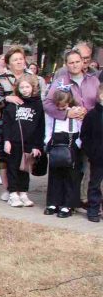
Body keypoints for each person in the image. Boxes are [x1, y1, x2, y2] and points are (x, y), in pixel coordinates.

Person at [43, 48, 99, 209]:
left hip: (89, 129)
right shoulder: (61, 81)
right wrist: (67, 112)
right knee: (70, 168)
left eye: (77, 62)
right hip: (69, 132)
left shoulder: (93, 81)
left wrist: (86, 113)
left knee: (89, 167)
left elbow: (98, 102)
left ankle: (88, 199)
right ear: (66, 64)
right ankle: (66, 201)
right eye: (71, 62)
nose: (74, 65)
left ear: (83, 62)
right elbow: (47, 104)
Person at [0, 46, 30, 202]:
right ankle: (8, 188)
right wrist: (7, 99)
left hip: (26, 123)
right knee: (5, 156)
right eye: (15, 60)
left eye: (21, 58)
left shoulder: (31, 78)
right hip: (5, 123)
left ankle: (21, 189)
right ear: (8, 63)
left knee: (24, 155)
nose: (19, 62)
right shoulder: (2, 79)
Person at [1, 74, 45, 208]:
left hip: (29, 143)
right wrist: (6, 140)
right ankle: (13, 193)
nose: (25, 90)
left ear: (33, 88)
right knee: (12, 168)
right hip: (14, 141)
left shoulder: (37, 104)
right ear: (17, 88)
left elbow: (40, 126)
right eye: (22, 87)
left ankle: (23, 192)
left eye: (27, 87)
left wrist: (38, 145)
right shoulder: (14, 103)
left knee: (25, 169)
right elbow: (7, 123)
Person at [44, 89, 82, 218]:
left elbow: (81, 127)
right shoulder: (53, 113)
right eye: (59, 106)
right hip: (56, 143)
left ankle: (67, 204)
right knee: (55, 175)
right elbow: (48, 127)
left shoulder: (76, 111)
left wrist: (78, 143)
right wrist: (48, 141)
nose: (61, 108)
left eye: (64, 105)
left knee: (71, 176)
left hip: (71, 144)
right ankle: (53, 202)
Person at [81, 83, 103, 222]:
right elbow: (85, 136)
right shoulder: (92, 115)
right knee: (95, 183)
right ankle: (93, 209)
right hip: (98, 156)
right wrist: (91, 152)